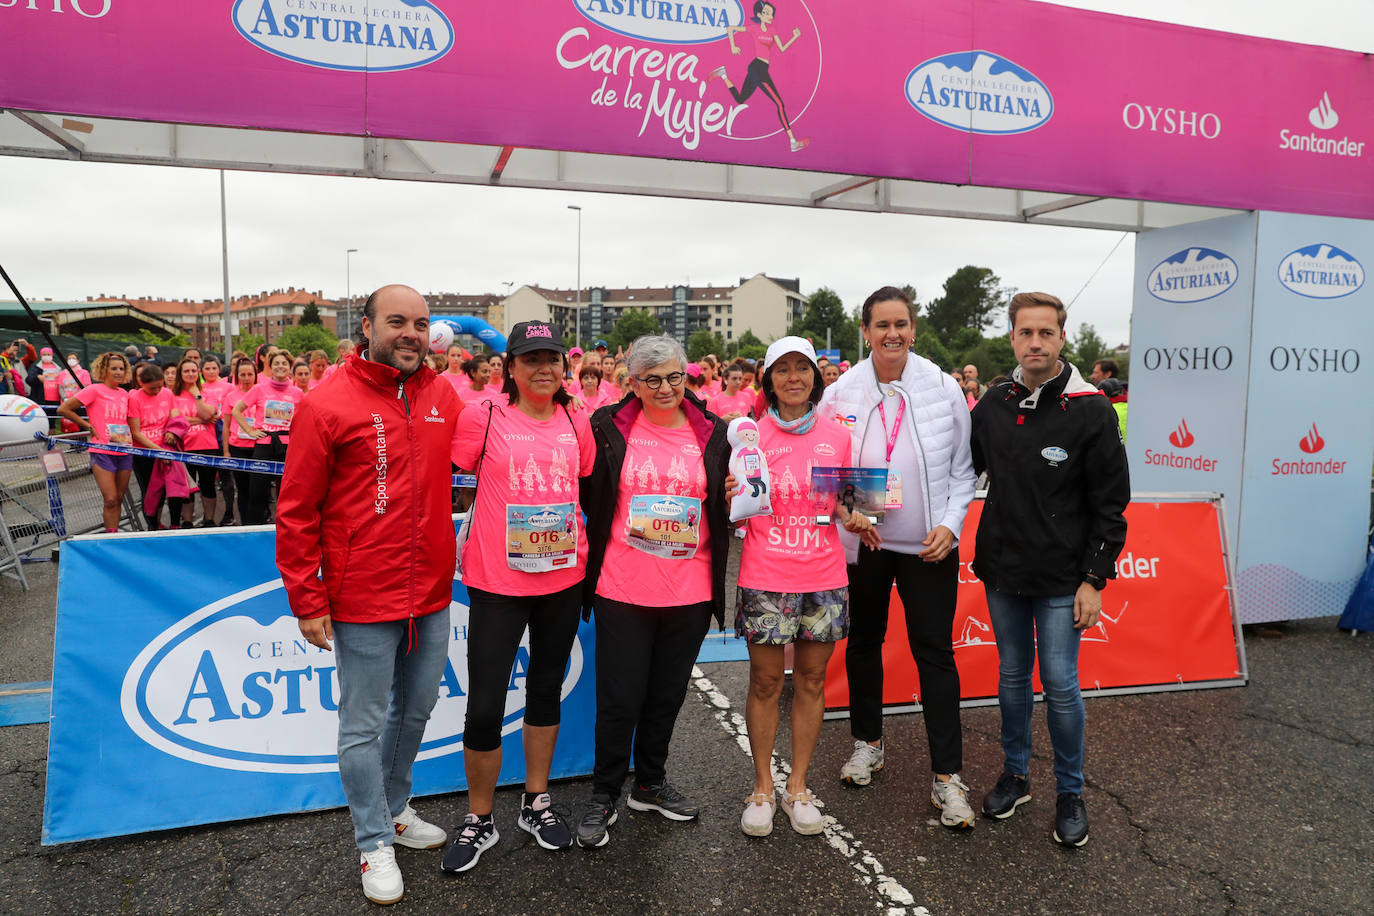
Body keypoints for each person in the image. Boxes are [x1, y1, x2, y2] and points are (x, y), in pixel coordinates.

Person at [276, 284, 462, 905]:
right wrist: (307, 597)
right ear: (368, 326)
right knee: (362, 723)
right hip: (361, 595)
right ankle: (372, 840)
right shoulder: (326, 402)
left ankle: (396, 807)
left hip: (432, 589)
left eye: (421, 322)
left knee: (417, 709)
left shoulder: (442, 395)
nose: (411, 332)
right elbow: (297, 510)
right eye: (397, 321)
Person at [970, 292, 1130, 848]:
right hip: (1003, 571)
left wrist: (1095, 578)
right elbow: (956, 471)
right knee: (1013, 676)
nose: (1035, 342)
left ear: (1063, 338)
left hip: (1065, 577)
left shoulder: (1091, 409)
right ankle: (1016, 776)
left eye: (1045, 332)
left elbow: (1112, 504)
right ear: (1012, 338)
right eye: (1024, 332)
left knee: (1060, 684)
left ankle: (1070, 791)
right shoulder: (991, 404)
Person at [817, 285, 977, 829]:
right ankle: (868, 744)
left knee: (934, 653)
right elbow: (826, 468)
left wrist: (950, 527)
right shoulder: (841, 392)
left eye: (901, 324)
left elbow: (963, 471)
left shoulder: (941, 386)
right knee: (863, 643)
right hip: (866, 545)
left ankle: (948, 778)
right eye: (881, 325)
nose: (892, 334)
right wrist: (847, 513)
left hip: (927, 547)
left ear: (914, 329)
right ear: (865, 331)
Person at [441, 321, 595, 872]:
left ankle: (536, 801)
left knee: (545, 690)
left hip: (560, 578)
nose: (543, 368)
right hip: (496, 581)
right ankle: (479, 818)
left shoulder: (577, 417)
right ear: (510, 368)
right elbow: (455, 467)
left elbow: (584, 474)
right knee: (484, 702)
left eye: (552, 358)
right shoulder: (482, 416)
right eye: (530, 359)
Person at [577, 335, 730, 848]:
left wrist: (738, 496)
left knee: (666, 695)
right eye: (653, 379)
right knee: (620, 698)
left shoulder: (715, 433)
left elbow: (732, 502)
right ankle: (604, 793)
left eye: (674, 377)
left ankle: (650, 782)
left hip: (689, 589)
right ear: (633, 383)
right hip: (623, 586)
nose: (666, 388)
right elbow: (584, 492)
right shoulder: (607, 427)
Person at [731, 337, 877, 838]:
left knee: (812, 682)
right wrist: (731, 495)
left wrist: (856, 514)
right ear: (767, 379)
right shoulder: (748, 437)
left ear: (816, 378)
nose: (793, 378)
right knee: (766, 683)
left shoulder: (839, 435)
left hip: (824, 577)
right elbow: (732, 505)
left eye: (802, 369)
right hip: (766, 574)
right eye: (782, 369)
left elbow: (844, 500)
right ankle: (762, 788)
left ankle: (797, 786)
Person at [708, 2, 809, 153]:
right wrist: (733, 46)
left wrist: (794, 37)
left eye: (771, 13)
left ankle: (723, 75)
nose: (771, 16)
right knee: (780, 104)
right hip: (757, 68)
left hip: (762, 69)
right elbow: (730, 28)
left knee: (740, 99)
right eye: (767, 13)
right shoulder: (753, 28)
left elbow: (781, 49)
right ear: (759, 15)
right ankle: (792, 141)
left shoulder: (773, 30)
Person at [58, 352, 132, 532]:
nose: (118, 372)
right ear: (103, 370)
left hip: (125, 450)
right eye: (113, 368)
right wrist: (87, 425)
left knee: (119, 498)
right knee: (111, 499)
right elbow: (64, 409)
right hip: (102, 451)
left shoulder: (125, 393)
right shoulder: (94, 390)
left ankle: (114, 535)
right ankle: (110, 537)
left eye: (121, 369)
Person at [233, 350, 304, 525]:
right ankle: (253, 529)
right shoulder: (259, 389)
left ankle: (286, 528)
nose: (280, 366)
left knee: (287, 494)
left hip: (288, 447)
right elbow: (236, 410)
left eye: (284, 364)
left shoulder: (297, 393)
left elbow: (304, 420)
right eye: (276, 363)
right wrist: (250, 431)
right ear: (270, 368)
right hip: (263, 445)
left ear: (290, 368)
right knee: (257, 493)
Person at [169, 356, 218, 526]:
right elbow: (175, 421)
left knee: (208, 485)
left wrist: (197, 397)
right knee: (186, 487)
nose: (190, 374)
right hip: (183, 447)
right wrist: (201, 420)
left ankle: (210, 519)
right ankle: (188, 521)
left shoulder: (206, 394)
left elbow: (207, 414)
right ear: (180, 374)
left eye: (193, 371)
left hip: (207, 445)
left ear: (198, 373)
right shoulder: (172, 396)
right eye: (186, 371)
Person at [127, 362, 176, 528]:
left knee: (168, 489)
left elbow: (174, 417)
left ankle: (166, 523)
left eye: (159, 387)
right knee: (149, 491)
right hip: (144, 453)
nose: (156, 391)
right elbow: (135, 432)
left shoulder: (167, 394)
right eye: (152, 388)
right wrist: (159, 451)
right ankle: (152, 525)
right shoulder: (134, 398)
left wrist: (172, 432)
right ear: (141, 383)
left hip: (166, 448)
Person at [223, 358, 259, 526]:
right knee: (243, 489)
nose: (246, 378)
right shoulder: (231, 396)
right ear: (236, 376)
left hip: (259, 447)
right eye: (242, 374)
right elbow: (226, 426)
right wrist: (226, 452)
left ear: (255, 375)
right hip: (237, 447)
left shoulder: (262, 393)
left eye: (250, 374)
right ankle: (246, 523)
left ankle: (260, 522)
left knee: (258, 489)